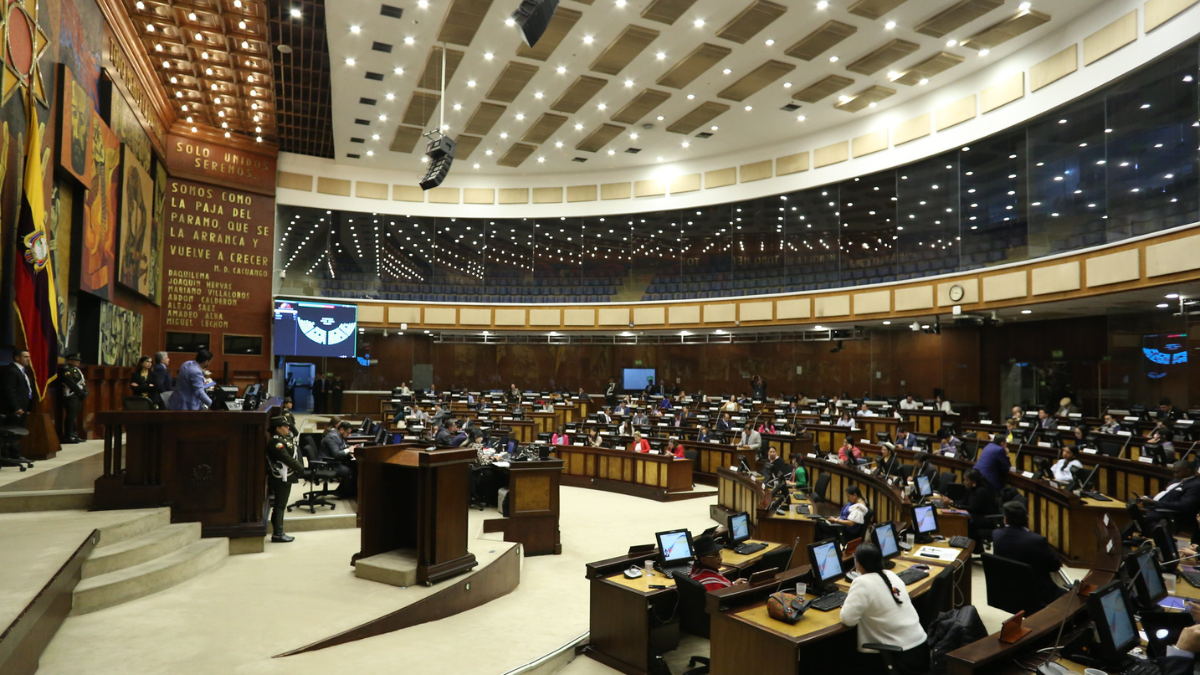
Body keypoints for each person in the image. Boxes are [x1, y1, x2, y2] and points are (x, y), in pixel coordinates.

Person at [840, 543, 930, 674]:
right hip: (921, 650)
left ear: (858, 563)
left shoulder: (862, 582)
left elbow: (847, 620)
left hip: (897, 658)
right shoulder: (890, 575)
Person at [991, 502, 1065, 608]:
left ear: (1005, 520)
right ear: (1027, 519)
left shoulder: (996, 535)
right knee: (1073, 600)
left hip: (1007, 591)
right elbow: (1055, 566)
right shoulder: (1037, 540)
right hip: (1037, 593)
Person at [266, 415, 305, 543]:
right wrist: (301, 469)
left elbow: (294, 433)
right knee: (280, 505)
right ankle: (278, 533)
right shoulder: (276, 443)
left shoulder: (283, 439)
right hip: (281, 477)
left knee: (281, 505)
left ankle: (279, 532)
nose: (288, 428)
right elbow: (286, 458)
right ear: (278, 428)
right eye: (285, 426)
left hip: (286, 476)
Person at [1140, 460, 1200, 529]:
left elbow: (1184, 506)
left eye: (1177, 472)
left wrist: (1154, 503)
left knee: (1145, 516)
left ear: (1188, 471)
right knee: (1135, 511)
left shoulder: (1195, 485)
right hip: (1161, 508)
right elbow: (1165, 495)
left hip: (1174, 515)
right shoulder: (1176, 480)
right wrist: (1146, 497)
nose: (1175, 475)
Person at [953, 468, 1000, 542]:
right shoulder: (971, 488)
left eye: (966, 480)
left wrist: (953, 504)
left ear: (974, 481)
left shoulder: (981, 491)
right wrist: (951, 502)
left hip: (987, 519)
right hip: (977, 515)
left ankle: (973, 546)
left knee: (965, 520)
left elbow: (972, 508)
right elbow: (963, 502)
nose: (964, 482)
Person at [320, 420, 358, 498]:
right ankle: (344, 493)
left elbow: (342, 446)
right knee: (351, 473)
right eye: (347, 433)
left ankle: (341, 491)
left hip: (333, 461)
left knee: (353, 467)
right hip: (328, 464)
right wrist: (349, 450)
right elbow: (336, 454)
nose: (348, 435)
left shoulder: (338, 435)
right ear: (341, 430)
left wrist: (352, 448)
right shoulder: (333, 437)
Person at [58, 353, 88, 443]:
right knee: (70, 415)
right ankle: (68, 436)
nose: (78, 362)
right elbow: (70, 383)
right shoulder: (66, 370)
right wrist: (80, 392)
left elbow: (82, 382)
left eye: (79, 360)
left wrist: (85, 392)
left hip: (77, 395)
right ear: (70, 360)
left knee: (74, 415)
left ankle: (74, 434)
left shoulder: (77, 370)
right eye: (76, 360)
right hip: (71, 395)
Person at [0, 349, 34, 426]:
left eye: (29, 357)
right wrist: (16, 408)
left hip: (23, 407)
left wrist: (28, 408)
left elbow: (27, 390)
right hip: (14, 410)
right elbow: (9, 391)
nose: (28, 359)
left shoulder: (22, 371)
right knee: (13, 431)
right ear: (17, 358)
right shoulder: (11, 370)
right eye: (25, 357)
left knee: (21, 430)